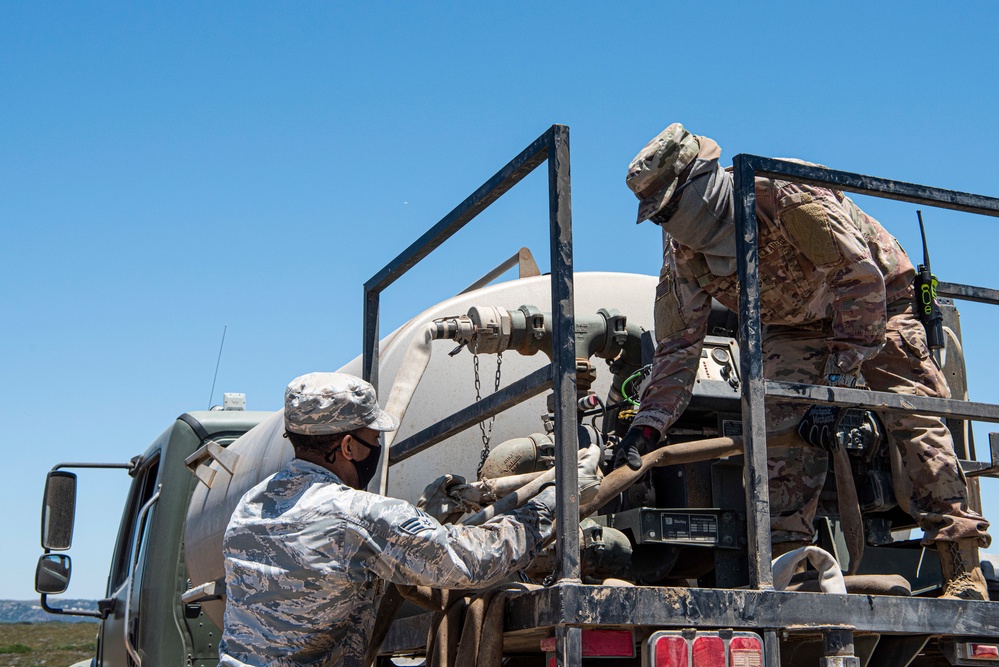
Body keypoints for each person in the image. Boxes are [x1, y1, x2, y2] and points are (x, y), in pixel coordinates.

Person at [618, 122, 991, 599]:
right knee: (777, 434)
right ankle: (789, 574)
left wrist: (834, 386)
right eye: (658, 215)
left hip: (878, 303)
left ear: (703, 182)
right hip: (792, 325)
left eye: (671, 207)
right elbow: (678, 345)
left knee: (913, 416)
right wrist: (649, 425)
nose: (668, 223)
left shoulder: (784, 194)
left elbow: (859, 280)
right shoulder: (683, 254)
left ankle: (962, 568)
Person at [219, 372, 569, 666]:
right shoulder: (357, 515)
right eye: (374, 438)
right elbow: (474, 559)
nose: (378, 446)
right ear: (348, 447)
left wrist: (421, 520)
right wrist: (552, 504)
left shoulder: (251, 504)